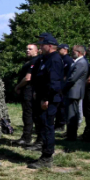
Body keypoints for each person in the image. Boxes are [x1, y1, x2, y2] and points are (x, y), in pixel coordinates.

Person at [28, 33, 64, 169]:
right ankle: (44, 152)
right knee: (43, 125)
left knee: (47, 127)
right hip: (43, 97)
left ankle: (47, 157)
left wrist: (46, 99)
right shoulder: (46, 58)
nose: (40, 47)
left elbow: (54, 83)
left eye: (42, 45)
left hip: (49, 99)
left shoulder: (54, 60)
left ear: (50, 46)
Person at [14, 44, 40, 146]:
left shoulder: (34, 61)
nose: (27, 51)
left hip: (29, 90)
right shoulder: (31, 61)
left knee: (28, 115)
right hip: (29, 90)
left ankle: (26, 137)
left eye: (30, 49)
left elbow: (27, 78)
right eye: (26, 49)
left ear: (36, 51)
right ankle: (30, 137)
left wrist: (18, 87)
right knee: (30, 114)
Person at [63, 45, 88, 141]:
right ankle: (70, 134)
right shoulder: (78, 62)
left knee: (72, 114)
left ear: (79, 52)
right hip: (73, 91)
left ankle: (71, 136)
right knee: (70, 113)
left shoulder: (81, 63)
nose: (71, 53)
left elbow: (72, 78)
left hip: (74, 92)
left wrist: (64, 87)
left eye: (73, 51)